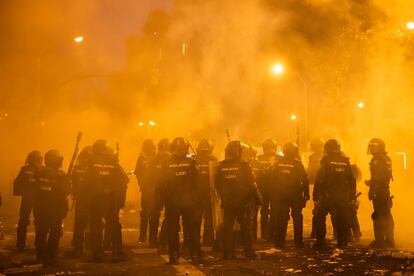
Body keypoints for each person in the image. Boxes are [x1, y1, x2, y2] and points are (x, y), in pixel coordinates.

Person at [216, 140, 261, 260]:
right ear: (238, 152)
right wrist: (258, 198)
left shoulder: (221, 166)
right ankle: (249, 253)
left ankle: (227, 253)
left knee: (228, 229)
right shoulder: (244, 165)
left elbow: (218, 185)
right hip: (243, 203)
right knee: (246, 229)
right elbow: (252, 184)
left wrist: (224, 197)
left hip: (228, 203)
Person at [86, 140, 129, 261]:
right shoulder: (113, 162)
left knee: (95, 224)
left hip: (95, 198)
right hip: (110, 198)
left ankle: (96, 253)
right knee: (114, 223)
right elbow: (123, 180)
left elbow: (86, 181)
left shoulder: (90, 162)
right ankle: (117, 251)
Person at [161, 137, 201, 265]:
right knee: (193, 228)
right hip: (189, 201)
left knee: (172, 229)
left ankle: (174, 256)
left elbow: (161, 183)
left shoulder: (166, 163)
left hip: (172, 201)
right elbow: (197, 182)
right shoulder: (192, 162)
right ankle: (195, 255)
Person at [313, 139, 356, 249]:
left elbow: (320, 179)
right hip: (342, 195)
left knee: (319, 216)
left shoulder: (326, 160)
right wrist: (351, 196)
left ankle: (320, 241)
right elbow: (352, 179)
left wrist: (316, 195)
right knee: (342, 217)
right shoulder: (345, 161)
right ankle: (342, 241)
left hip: (328, 195)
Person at [33, 150, 70, 265]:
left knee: (41, 231)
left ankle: (41, 254)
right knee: (55, 232)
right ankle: (51, 255)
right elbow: (66, 191)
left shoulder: (39, 172)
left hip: (41, 208)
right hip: (55, 208)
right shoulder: (60, 175)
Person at [271, 143, 309, 248]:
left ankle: (279, 242)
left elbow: (272, 178)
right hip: (295, 195)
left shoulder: (278, 163)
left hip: (282, 195)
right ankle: (298, 242)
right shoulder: (297, 164)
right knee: (297, 217)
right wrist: (306, 194)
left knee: (282, 217)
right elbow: (305, 179)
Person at [366, 138, 394, 248]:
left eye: (373, 146)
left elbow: (378, 178)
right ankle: (389, 239)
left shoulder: (377, 159)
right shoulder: (387, 158)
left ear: (379, 147)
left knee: (378, 215)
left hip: (379, 190)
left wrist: (372, 189)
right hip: (385, 190)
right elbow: (384, 176)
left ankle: (379, 241)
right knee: (387, 214)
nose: (371, 148)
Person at [14, 151, 43, 251]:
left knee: (23, 220)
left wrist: (24, 192)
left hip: (27, 198)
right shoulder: (43, 170)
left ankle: (20, 244)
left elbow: (17, 182)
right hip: (39, 199)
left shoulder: (25, 169)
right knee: (39, 221)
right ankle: (39, 244)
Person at [194, 139, 217, 246]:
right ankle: (208, 239)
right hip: (209, 192)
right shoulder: (213, 159)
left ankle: (194, 239)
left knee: (196, 216)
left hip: (196, 193)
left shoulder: (194, 159)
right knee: (209, 217)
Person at [71, 146, 92, 256]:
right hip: (90, 199)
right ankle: (88, 245)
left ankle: (78, 246)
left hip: (82, 198)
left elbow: (72, 182)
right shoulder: (93, 167)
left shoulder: (77, 168)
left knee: (80, 223)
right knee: (90, 222)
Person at [135, 139, 157, 245]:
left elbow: (137, 172)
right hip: (150, 189)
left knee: (147, 214)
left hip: (150, 189)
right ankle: (150, 238)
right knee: (150, 214)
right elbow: (137, 172)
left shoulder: (144, 158)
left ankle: (144, 237)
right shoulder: (143, 158)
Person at [256, 139, 278, 241]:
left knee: (264, 211)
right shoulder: (279, 158)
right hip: (274, 189)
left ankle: (265, 233)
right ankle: (273, 233)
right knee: (273, 210)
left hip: (263, 188)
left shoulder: (259, 158)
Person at [308, 138, 325, 238]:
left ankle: (316, 232)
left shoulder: (326, 156)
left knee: (319, 210)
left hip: (323, 185)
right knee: (317, 209)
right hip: (318, 184)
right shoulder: (312, 157)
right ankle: (315, 232)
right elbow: (310, 170)